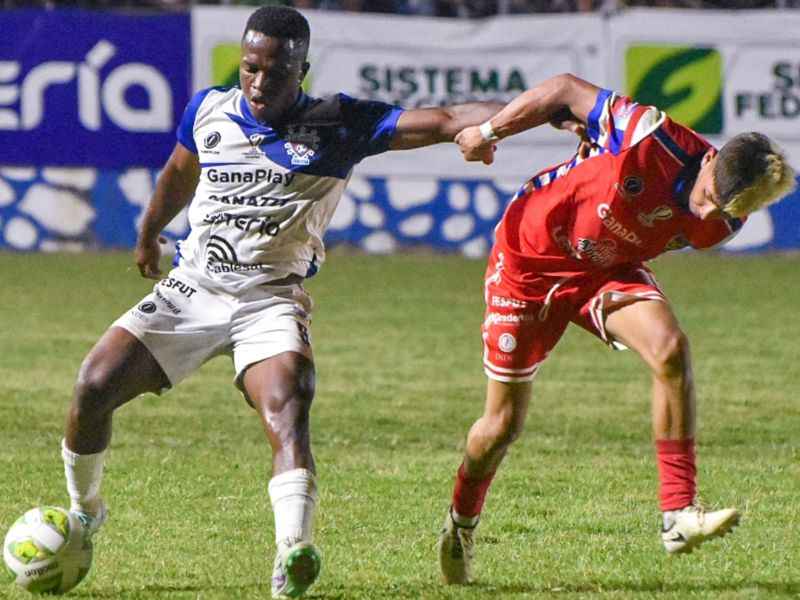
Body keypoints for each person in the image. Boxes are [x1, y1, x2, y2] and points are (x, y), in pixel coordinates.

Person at [59, 6, 502, 599]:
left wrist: (525, 118)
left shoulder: (338, 124)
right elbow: (178, 173)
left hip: (268, 300)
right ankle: (85, 515)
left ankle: (292, 553)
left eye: (276, 72)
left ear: (303, 71)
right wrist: (147, 233)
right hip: (192, 290)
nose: (260, 83)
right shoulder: (208, 109)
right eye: (250, 68)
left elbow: (450, 117)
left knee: (287, 412)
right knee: (92, 386)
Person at [437, 73, 796, 584]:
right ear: (710, 159)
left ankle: (678, 514)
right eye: (710, 196)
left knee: (671, 350)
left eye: (726, 209)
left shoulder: (724, 219)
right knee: (501, 427)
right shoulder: (650, 136)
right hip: (530, 261)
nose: (708, 211)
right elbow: (562, 89)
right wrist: (488, 133)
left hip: (604, 270)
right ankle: (461, 523)